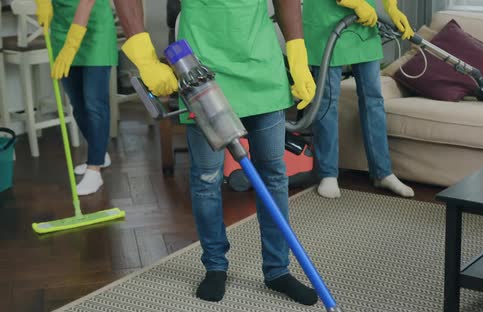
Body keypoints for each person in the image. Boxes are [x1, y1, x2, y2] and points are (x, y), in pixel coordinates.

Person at [111, 0, 319, 305]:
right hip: (200, 69)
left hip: (262, 65)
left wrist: (298, 54)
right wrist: (144, 57)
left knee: (273, 174)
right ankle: (215, 267)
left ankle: (278, 270)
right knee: (206, 178)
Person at [303, 0, 416, 199]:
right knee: (327, 101)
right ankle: (328, 174)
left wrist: (392, 8)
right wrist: (354, 3)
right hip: (325, 21)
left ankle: (382, 172)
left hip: (363, 24)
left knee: (374, 99)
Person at [35, 0, 116, 196]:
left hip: (94, 28)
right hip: (61, 28)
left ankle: (94, 169)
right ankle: (100, 153)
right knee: (77, 103)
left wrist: (72, 45)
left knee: (94, 103)